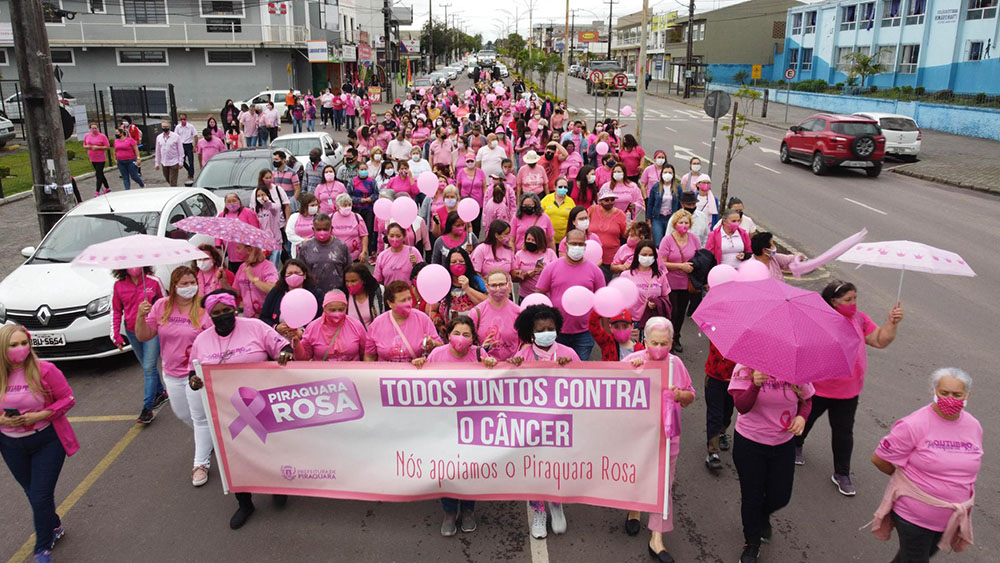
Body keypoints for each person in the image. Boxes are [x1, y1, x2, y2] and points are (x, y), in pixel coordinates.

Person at [188, 290, 293, 530]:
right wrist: (194, 381)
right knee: (236, 458)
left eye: (227, 311)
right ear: (210, 315)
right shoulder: (202, 340)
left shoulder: (255, 326)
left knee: (269, 448)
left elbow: (282, 347)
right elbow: (193, 371)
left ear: (234, 309)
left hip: (263, 402)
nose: (223, 316)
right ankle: (245, 503)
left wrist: (286, 354)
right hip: (226, 410)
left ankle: (277, 486)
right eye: (217, 313)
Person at [795, 280, 904, 496]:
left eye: (855, 298)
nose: (853, 303)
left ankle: (842, 473)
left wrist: (892, 324)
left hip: (848, 391)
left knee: (844, 432)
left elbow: (879, 340)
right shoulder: (818, 319)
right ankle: (795, 445)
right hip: (818, 387)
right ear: (833, 302)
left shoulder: (859, 319)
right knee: (805, 420)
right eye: (848, 300)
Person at [870, 368, 981, 562]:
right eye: (944, 393)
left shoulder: (973, 426)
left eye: (957, 394)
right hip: (913, 517)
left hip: (947, 519)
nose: (950, 399)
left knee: (911, 557)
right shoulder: (914, 424)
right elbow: (880, 459)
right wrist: (911, 483)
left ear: (968, 395)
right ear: (934, 391)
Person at [0, 324, 78, 563]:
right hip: (11, 445)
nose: (21, 349)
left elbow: (68, 398)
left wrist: (41, 415)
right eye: (14, 345)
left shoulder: (45, 370)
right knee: (32, 492)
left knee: (40, 495)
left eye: (24, 343)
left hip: (46, 441)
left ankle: (42, 549)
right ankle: (53, 525)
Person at [413, 314, 496, 536]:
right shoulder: (436, 354)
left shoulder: (480, 354)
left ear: (473, 339)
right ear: (448, 335)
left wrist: (491, 366)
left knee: (469, 470)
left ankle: (468, 511)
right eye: (457, 333)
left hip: (472, 424)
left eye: (466, 334)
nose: (461, 338)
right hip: (443, 424)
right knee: (447, 470)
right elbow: (423, 385)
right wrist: (419, 365)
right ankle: (450, 512)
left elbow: (494, 386)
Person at [622, 318, 695, 562]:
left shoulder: (677, 364)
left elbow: (689, 397)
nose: (659, 348)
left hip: (667, 435)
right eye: (655, 342)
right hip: (636, 435)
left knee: (663, 484)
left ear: (671, 342)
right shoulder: (632, 361)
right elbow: (612, 393)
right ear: (645, 341)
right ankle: (634, 509)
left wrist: (679, 394)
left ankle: (657, 538)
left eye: (664, 343)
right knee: (637, 473)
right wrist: (629, 373)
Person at [133, 267, 212, 487]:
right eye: (184, 284)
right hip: (172, 372)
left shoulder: (204, 309)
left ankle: (201, 464)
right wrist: (141, 315)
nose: (189, 287)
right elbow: (144, 335)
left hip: (197, 374)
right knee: (183, 414)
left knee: (200, 418)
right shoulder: (161, 306)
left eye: (192, 282)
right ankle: (212, 439)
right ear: (174, 286)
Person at [729, 364, 814, 563]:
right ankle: (751, 543)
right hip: (749, 443)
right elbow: (741, 406)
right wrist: (755, 385)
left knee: (781, 496)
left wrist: (802, 417)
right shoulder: (744, 366)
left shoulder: (796, 366)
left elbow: (807, 399)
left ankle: (761, 515)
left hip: (783, 444)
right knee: (752, 497)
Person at [507, 304, 577, 539]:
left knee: (557, 465)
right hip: (531, 425)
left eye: (551, 328)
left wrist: (572, 370)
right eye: (541, 329)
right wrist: (512, 368)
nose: (547, 332)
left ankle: (556, 505)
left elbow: (588, 384)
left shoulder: (568, 353)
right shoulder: (523, 355)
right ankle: (538, 511)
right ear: (531, 332)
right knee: (534, 468)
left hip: (560, 423)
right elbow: (508, 389)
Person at [535, 229, 606, 361]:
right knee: (557, 372)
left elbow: (602, 301)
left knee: (579, 371)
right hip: (556, 331)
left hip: (585, 332)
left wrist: (605, 332)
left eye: (580, 244)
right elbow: (539, 294)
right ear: (566, 245)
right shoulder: (551, 268)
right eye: (573, 244)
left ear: (585, 246)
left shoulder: (595, 271)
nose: (577, 247)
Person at [111, 266, 165, 424]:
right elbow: (115, 311)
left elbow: (165, 304)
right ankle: (160, 392)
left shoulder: (154, 281)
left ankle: (147, 409)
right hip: (131, 331)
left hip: (151, 330)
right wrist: (116, 335)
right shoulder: (118, 286)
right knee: (147, 367)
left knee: (149, 367)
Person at [363, 280, 441, 362]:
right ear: (390, 303)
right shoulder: (377, 324)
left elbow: (440, 348)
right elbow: (369, 356)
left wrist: (432, 343)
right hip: (386, 372)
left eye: (409, 298)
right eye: (403, 300)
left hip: (416, 371)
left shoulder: (423, 319)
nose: (408, 303)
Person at [659, 210, 701, 353]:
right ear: (675, 224)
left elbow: (699, 257)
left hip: (686, 282)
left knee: (681, 311)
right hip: (670, 282)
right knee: (672, 311)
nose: (684, 225)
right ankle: (667, 338)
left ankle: (676, 336)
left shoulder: (694, 239)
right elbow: (662, 262)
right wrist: (679, 266)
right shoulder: (667, 240)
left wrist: (693, 267)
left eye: (686, 223)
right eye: (681, 222)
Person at [292, 290, 367, 361]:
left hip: (352, 372)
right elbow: (304, 358)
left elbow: (365, 353)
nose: (337, 314)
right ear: (324, 308)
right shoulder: (313, 327)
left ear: (346, 308)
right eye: (332, 310)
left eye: (341, 310)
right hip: (321, 372)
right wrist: (297, 345)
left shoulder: (356, 325)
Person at [259, 259, 324, 330]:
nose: (293, 276)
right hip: (278, 337)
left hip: (306, 338)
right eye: (289, 273)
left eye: (297, 273)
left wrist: (302, 332)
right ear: (284, 277)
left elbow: (320, 321)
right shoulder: (276, 292)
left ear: (304, 275)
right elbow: (263, 317)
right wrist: (276, 327)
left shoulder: (316, 294)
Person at [470, 271, 520, 361]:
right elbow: (469, 342)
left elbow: (525, 343)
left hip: (511, 367)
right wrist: (482, 349)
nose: (498, 288)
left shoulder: (518, 311)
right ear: (487, 287)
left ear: (508, 285)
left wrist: (518, 358)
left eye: (501, 284)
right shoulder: (477, 312)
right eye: (493, 285)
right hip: (485, 366)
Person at [297, 212, 351, 294]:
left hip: (337, 293)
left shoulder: (341, 246)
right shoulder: (306, 247)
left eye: (325, 229)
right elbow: (300, 271)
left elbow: (349, 269)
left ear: (331, 229)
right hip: (313, 293)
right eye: (318, 229)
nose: (322, 232)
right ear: (313, 229)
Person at [619, 241, 671, 324]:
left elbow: (666, 298)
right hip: (631, 322)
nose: (647, 257)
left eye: (650, 255)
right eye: (644, 254)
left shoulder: (661, 275)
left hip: (653, 322)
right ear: (637, 255)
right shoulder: (626, 275)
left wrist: (657, 304)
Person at [704, 340, 736, 472]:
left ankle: (722, 433)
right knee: (715, 414)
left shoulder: (745, 332)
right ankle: (713, 451)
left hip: (735, 380)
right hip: (714, 377)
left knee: (727, 413)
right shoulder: (716, 327)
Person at [436, 247, 487, 328]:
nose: (457, 264)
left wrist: (467, 289)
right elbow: (431, 309)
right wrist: (438, 321)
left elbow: (487, 303)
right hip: (448, 333)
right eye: (453, 262)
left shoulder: (475, 280)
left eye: (461, 262)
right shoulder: (444, 283)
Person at [512, 226, 557, 303]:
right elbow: (513, 278)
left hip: (545, 296)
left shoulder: (550, 253)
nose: (530, 242)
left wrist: (545, 271)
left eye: (533, 240)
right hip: (525, 296)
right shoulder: (520, 254)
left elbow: (557, 274)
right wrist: (526, 275)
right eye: (528, 239)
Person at [232, 244, 278, 319]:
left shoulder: (268, 266)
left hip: (265, 316)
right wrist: (223, 281)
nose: (236, 251)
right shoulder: (242, 267)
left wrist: (253, 279)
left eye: (238, 248)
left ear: (249, 250)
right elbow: (236, 292)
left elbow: (273, 289)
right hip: (247, 317)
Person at [588, 188, 628, 271]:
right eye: (606, 200)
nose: (610, 202)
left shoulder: (620, 214)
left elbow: (625, 235)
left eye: (612, 200)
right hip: (592, 255)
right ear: (600, 201)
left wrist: (630, 228)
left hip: (611, 257)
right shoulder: (592, 210)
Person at [220, 192, 261, 272]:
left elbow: (255, 230)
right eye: (229, 201)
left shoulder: (248, 213)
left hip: (246, 250)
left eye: (234, 201)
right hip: (231, 251)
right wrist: (218, 245)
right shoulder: (222, 216)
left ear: (239, 201)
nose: (232, 204)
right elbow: (218, 232)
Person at [328, 193, 370, 263]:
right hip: (336, 256)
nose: (347, 207)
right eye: (344, 205)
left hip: (355, 256)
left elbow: (364, 235)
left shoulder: (357, 217)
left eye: (349, 205)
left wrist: (364, 252)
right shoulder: (330, 218)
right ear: (338, 206)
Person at [647, 163, 680, 247]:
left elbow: (680, 204)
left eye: (670, 172)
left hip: (671, 218)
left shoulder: (677, 188)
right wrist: (648, 219)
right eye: (665, 172)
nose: (667, 174)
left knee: (671, 242)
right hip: (658, 218)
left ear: (673, 174)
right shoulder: (656, 187)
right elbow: (650, 204)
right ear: (661, 174)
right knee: (658, 243)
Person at [344, 264, 383, 329]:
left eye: (353, 281)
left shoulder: (378, 294)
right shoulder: (343, 296)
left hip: (372, 336)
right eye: (347, 281)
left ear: (364, 280)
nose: (349, 284)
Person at [254, 188, 284, 268]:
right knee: (263, 267)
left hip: (275, 242)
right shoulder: (257, 211)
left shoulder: (275, 207)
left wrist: (266, 201)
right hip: (263, 243)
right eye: (258, 196)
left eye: (263, 194)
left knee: (273, 266)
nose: (261, 197)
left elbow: (270, 207)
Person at [540, 177, 576, 245]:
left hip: (564, 240)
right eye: (560, 187)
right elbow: (539, 214)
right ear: (555, 187)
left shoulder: (570, 202)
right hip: (548, 239)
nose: (563, 189)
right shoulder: (546, 199)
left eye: (565, 187)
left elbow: (574, 218)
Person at [83, 123, 112, 197]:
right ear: (90, 129)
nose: (94, 130)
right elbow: (84, 145)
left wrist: (98, 147)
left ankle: (97, 191)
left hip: (101, 158)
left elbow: (107, 146)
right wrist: (88, 146)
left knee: (98, 174)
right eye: (93, 128)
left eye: (96, 128)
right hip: (92, 157)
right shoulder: (87, 136)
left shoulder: (102, 136)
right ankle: (107, 187)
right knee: (100, 173)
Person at [113, 126, 144, 191]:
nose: (116, 134)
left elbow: (136, 149)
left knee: (134, 176)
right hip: (121, 161)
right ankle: (127, 190)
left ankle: (142, 184)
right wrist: (115, 159)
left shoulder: (130, 140)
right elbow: (115, 150)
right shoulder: (116, 141)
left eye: (117, 133)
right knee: (125, 177)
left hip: (130, 160)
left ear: (121, 133)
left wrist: (138, 158)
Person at [154, 120, 183, 186]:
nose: (165, 128)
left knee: (172, 180)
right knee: (167, 178)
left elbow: (180, 150)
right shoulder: (159, 137)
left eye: (166, 126)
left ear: (169, 127)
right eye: (163, 127)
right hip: (164, 162)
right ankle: (175, 188)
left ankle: (173, 190)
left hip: (174, 162)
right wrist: (157, 163)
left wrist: (181, 161)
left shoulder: (176, 137)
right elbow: (158, 151)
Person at [174, 114, 197, 181]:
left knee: (191, 161)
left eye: (184, 119)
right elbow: (175, 137)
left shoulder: (190, 126)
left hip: (189, 145)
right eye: (181, 119)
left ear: (186, 119)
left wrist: (195, 146)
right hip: (181, 145)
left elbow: (195, 136)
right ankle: (189, 170)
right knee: (182, 161)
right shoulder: (178, 127)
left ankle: (191, 175)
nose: (183, 120)